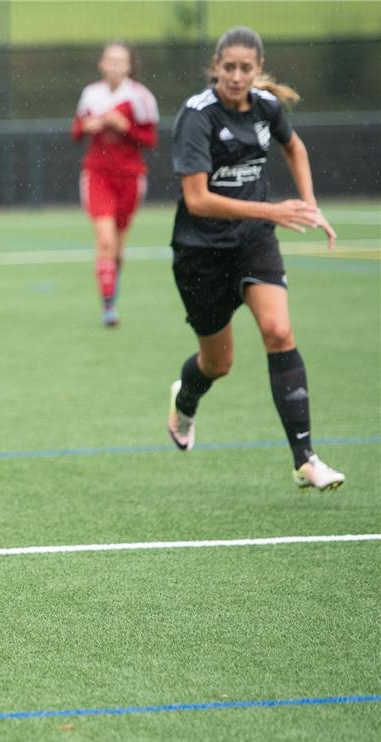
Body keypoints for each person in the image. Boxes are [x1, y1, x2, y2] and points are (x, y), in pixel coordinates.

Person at [165, 26, 344, 491]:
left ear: (258, 69)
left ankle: (305, 458)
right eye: (229, 68)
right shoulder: (197, 115)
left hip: (253, 243)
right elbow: (198, 200)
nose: (237, 76)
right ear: (215, 67)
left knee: (279, 331)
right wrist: (274, 209)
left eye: (247, 68)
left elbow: (295, 147)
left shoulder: (267, 108)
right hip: (200, 253)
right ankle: (185, 402)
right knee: (217, 364)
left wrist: (308, 204)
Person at [71, 40, 159, 327]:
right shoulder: (90, 94)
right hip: (97, 175)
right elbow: (76, 131)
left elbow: (149, 139)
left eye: (120, 61)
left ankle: (112, 291)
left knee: (118, 248)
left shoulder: (140, 97)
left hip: (130, 178)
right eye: (110, 60)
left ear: (130, 66)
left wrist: (126, 127)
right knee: (105, 240)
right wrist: (86, 126)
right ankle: (108, 307)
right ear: (101, 63)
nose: (114, 66)